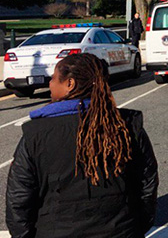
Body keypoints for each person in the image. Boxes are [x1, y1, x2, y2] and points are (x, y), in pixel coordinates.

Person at [6, 53, 158, 238]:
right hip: (122, 230)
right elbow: (147, 183)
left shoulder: (36, 133)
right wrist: (136, 226)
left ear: (70, 84)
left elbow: (19, 199)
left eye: (54, 78)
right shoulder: (126, 125)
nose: (50, 83)